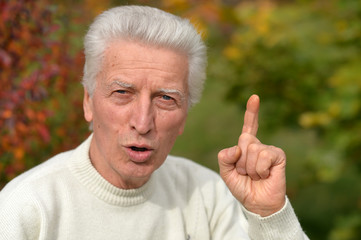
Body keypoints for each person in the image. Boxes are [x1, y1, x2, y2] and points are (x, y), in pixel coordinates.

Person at [0, 5, 309, 239]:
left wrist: (269, 215)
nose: (143, 121)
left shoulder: (207, 195)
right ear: (88, 102)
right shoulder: (27, 208)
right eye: (122, 93)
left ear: (185, 114)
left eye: (166, 99)